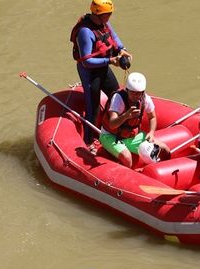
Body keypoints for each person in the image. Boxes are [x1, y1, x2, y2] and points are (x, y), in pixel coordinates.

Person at [70, 0, 133, 145]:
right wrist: (110, 61)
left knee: (116, 96)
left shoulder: (103, 23)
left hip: (103, 67)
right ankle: (88, 141)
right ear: (97, 14)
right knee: (93, 108)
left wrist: (122, 49)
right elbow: (86, 62)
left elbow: (114, 37)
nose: (109, 17)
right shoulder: (85, 32)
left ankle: (111, 128)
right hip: (90, 72)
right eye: (107, 14)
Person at [99, 72, 170, 167]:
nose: (135, 96)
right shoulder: (118, 99)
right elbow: (112, 124)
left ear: (143, 92)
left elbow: (152, 117)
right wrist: (126, 116)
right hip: (110, 136)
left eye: (138, 93)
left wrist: (151, 132)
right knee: (127, 158)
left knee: (164, 149)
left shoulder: (145, 99)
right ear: (127, 90)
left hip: (131, 136)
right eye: (132, 92)